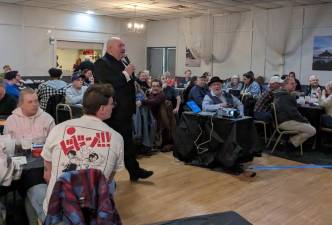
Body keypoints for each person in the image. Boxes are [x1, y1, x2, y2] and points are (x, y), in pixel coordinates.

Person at [41, 84, 124, 216]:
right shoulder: (116, 138)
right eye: (111, 104)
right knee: (112, 185)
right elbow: (107, 180)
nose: (113, 107)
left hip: (57, 212)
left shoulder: (58, 129)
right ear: (102, 108)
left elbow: (47, 175)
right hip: (93, 215)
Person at [94, 37, 153, 181]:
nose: (123, 48)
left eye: (124, 46)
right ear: (110, 48)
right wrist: (126, 73)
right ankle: (103, 175)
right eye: (120, 46)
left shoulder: (123, 61)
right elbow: (109, 84)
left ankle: (134, 170)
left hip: (125, 110)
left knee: (127, 142)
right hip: (112, 112)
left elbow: (130, 83)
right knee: (111, 144)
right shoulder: (101, 63)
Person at [274, 77, 316, 150]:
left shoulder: (279, 93)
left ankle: (289, 142)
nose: (295, 85)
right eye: (292, 84)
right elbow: (294, 114)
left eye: (295, 83)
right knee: (312, 130)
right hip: (285, 122)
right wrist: (306, 121)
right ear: (285, 85)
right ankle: (290, 143)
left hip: (279, 121)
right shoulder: (287, 96)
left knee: (307, 126)